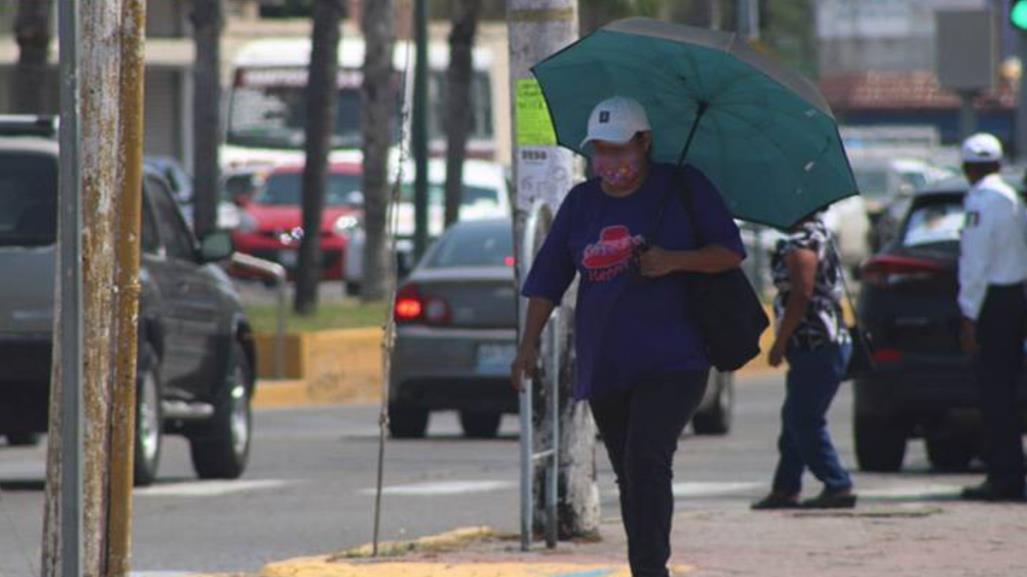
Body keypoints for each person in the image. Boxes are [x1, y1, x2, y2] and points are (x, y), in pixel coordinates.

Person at [511, 96, 745, 577]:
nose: (609, 161)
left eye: (619, 149)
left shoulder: (682, 187)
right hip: (608, 362)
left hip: (675, 359)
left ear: (645, 143)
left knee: (648, 458)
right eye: (600, 150)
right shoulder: (581, 203)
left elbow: (729, 252)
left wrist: (674, 260)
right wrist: (527, 345)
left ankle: (651, 568)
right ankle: (644, 563)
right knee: (629, 473)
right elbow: (547, 280)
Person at [751, 215, 856, 510]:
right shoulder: (820, 234)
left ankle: (838, 484)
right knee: (794, 419)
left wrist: (780, 341)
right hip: (819, 345)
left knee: (805, 421)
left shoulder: (803, 242)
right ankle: (786, 488)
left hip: (817, 344)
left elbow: (802, 294)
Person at [957, 133, 1027, 502]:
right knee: (1009, 391)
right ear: (999, 164)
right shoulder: (1013, 199)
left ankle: (1004, 475)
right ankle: (1009, 470)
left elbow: (975, 264)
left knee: (995, 394)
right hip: (1015, 297)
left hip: (993, 304)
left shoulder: (982, 202)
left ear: (968, 168)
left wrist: (969, 316)